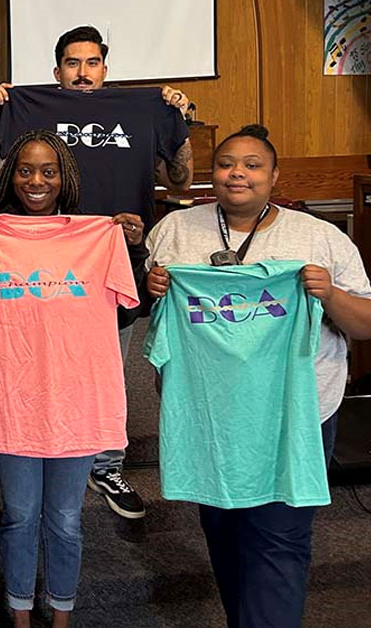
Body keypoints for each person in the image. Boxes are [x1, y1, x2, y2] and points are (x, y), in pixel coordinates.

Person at [145, 124, 371, 628]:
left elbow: (365, 324)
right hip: (210, 416)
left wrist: (328, 294)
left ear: (274, 175)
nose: (237, 174)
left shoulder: (318, 239)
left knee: (277, 540)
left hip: (295, 413)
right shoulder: (175, 232)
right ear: (212, 173)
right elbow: (150, 320)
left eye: (252, 165)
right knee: (225, 538)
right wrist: (157, 288)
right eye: (226, 164)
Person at [0, 25, 190, 519]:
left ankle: (106, 462)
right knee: (40, 358)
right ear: (57, 71)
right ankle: (35, 444)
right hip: (41, 265)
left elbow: (180, 176)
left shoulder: (140, 109)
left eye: (92, 63)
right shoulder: (30, 109)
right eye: (72, 63)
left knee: (107, 366)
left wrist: (180, 116)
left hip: (112, 259)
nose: (83, 73)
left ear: (105, 69)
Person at [0, 130, 139, 628]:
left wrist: (130, 245)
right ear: (10, 175)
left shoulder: (97, 235)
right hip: (13, 402)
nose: (36, 180)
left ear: (64, 176)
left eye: (48, 171)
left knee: (66, 520)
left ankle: (62, 616)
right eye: (25, 169)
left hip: (76, 401)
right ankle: (21, 615)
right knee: (20, 517)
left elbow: (127, 311)